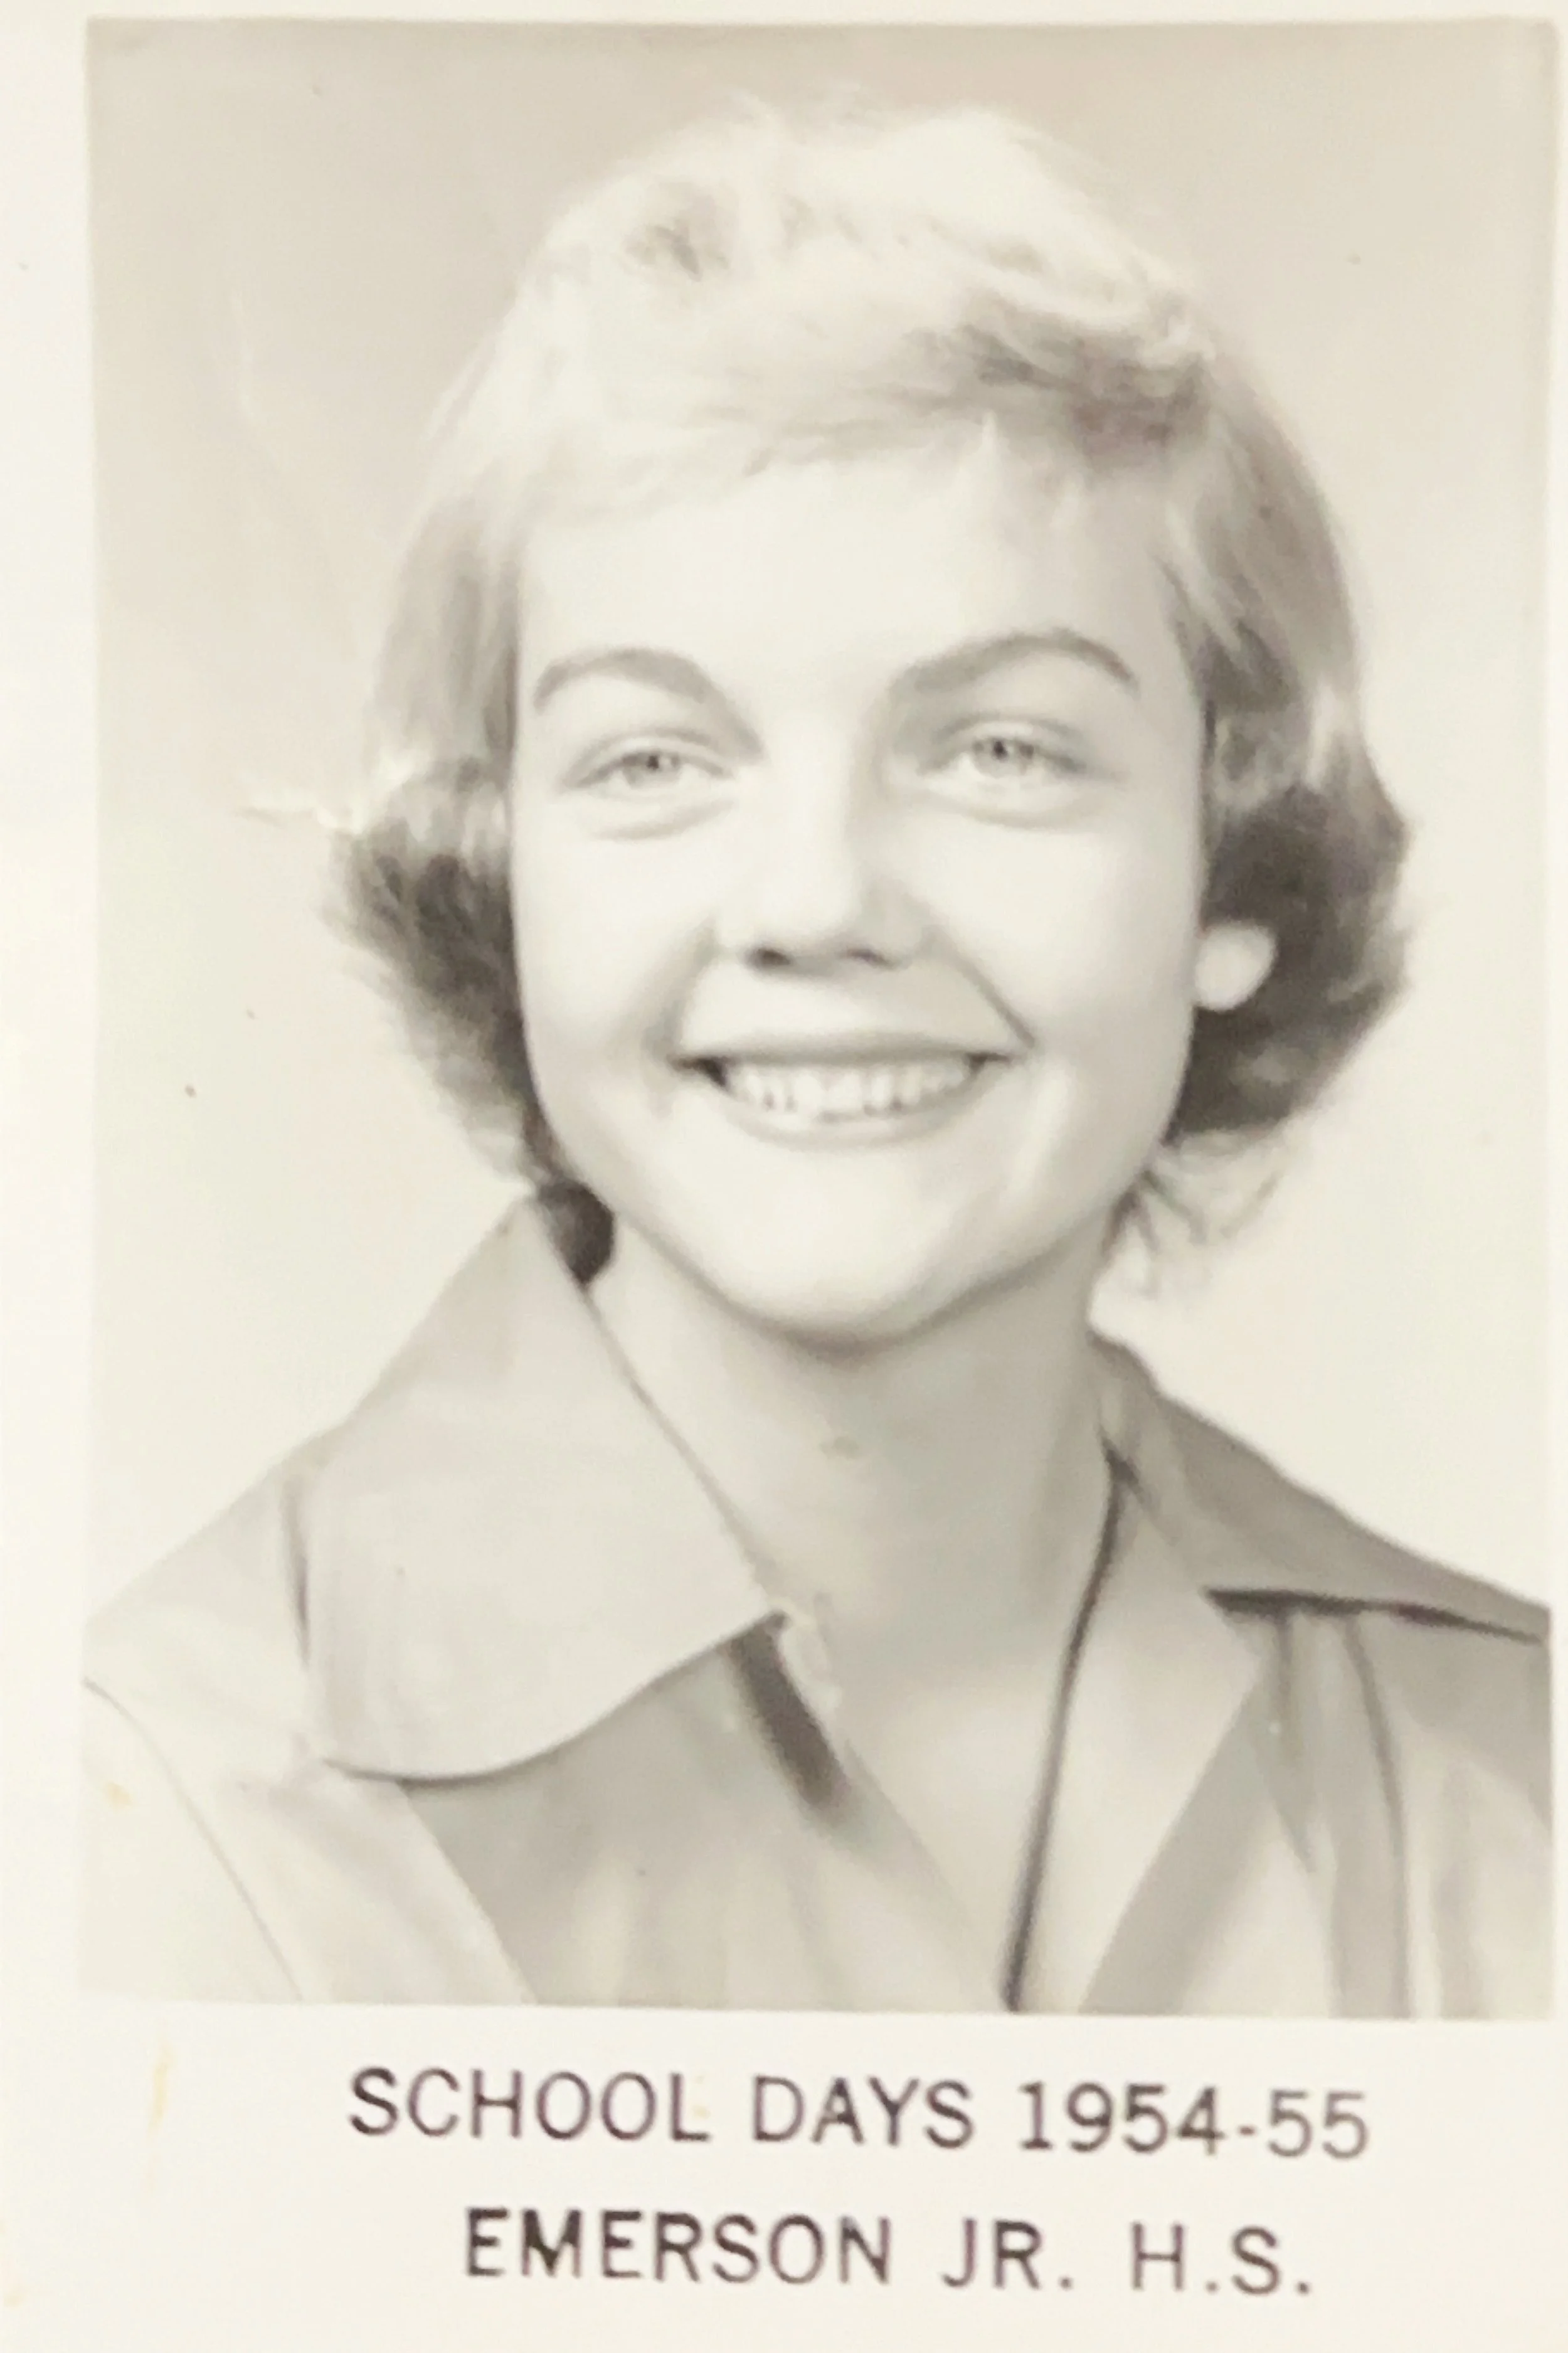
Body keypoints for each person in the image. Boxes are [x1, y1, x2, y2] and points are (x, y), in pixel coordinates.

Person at [83, 100, 1549, 2012]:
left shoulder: (1513, 1781)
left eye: (998, 749)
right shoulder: (141, 1807)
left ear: (1231, 869)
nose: (816, 898)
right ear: (499, 876)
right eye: (654, 760)